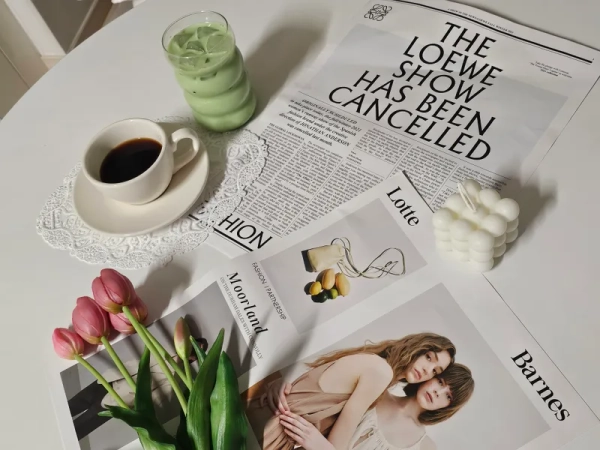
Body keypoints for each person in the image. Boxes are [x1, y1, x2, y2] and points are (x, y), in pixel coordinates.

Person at [247, 333, 456, 450]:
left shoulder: (376, 363)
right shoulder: (381, 372)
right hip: (269, 433)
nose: (427, 370)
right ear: (417, 347)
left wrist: (281, 384)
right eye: (429, 357)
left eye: (435, 371)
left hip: (267, 422)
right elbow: (334, 446)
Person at [278, 363, 475, 450]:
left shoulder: (425, 447)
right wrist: (284, 387)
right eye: (440, 382)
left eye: (448, 396)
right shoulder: (377, 392)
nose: (437, 392)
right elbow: (319, 395)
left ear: (448, 406)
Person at [68, 337, 207, 440]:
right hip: (108, 380)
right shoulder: (167, 348)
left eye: (195, 351)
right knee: (71, 406)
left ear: (194, 358)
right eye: (193, 346)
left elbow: (157, 397)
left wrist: (135, 410)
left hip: (119, 399)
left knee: (80, 427)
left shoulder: (178, 375)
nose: (191, 351)